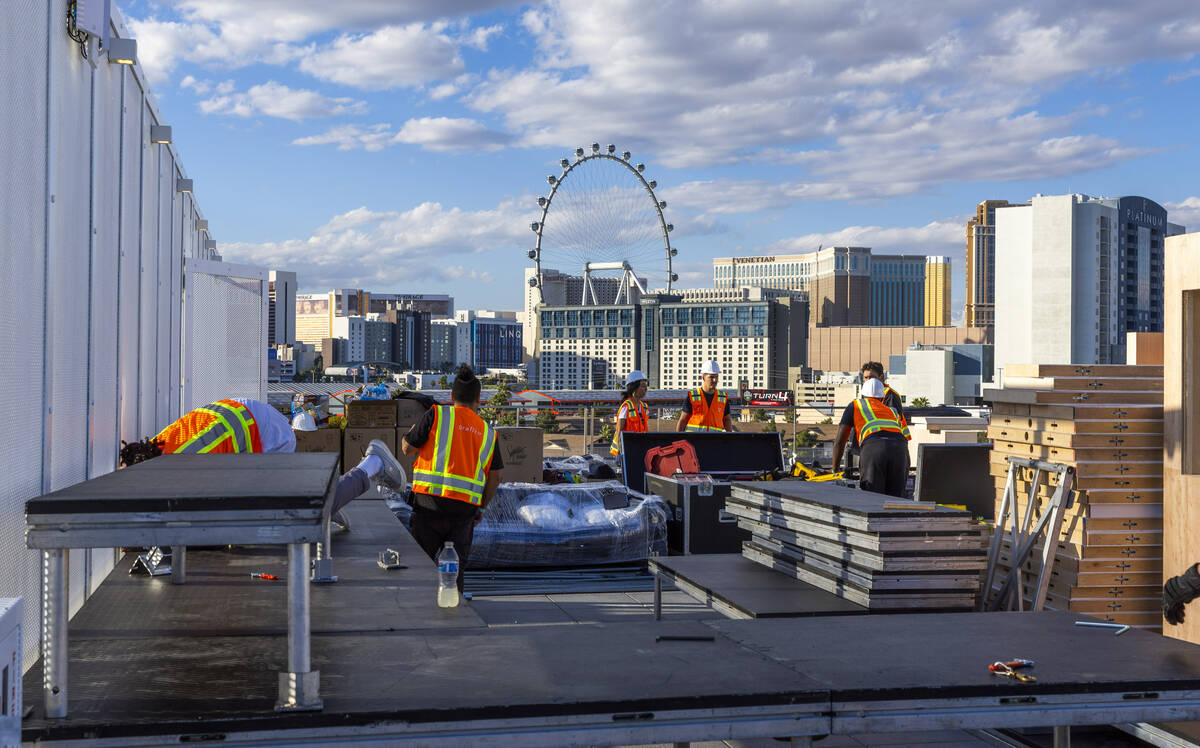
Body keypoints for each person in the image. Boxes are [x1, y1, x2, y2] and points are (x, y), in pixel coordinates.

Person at [118, 397, 408, 530]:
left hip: (268, 436)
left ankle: (372, 464)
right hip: (248, 416)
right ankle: (325, 501)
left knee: (302, 514)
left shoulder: (186, 466)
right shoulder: (151, 450)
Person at [401, 365, 503, 592]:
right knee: (454, 573)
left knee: (420, 567)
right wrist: (482, 509)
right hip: (463, 512)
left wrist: (413, 430)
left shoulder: (436, 415)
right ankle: (453, 615)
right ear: (478, 399)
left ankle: (417, 611)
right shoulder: (488, 432)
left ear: (451, 396)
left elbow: (407, 448)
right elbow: (495, 477)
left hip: (428, 507)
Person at [831, 378, 911, 497]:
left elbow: (840, 441)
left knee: (872, 499)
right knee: (896, 501)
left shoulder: (855, 405)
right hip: (900, 450)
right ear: (882, 398)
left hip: (874, 448)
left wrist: (835, 470)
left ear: (862, 395)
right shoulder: (892, 411)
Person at [676, 360, 734, 433]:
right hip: (694, 440)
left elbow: (727, 419)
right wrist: (678, 438)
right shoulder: (692, 396)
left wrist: (729, 439)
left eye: (716, 377)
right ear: (703, 378)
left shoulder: (722, 397)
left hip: (715, 441)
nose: (715, 380)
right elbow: (683, 420)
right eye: (711, 377)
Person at [610, 370, 649, 456]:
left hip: (638, 447)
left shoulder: (644, 407)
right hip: (625, 448)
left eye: (646, 386)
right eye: (642, 386)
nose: (646, 389)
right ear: (633, 388)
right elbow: (619, 430)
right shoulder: (626, 406)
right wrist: (620, 453)